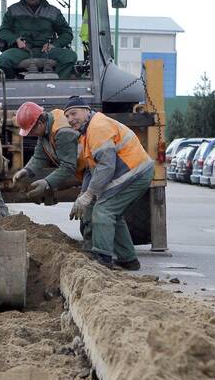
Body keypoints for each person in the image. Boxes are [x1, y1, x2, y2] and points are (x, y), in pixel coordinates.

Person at [62, 96, 154, 270]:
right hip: (135, 171)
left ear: (87, 111)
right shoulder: (86, 133)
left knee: (103, 210)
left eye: (74, 113)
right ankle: (128, 260)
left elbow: (106, 166)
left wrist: (89, 195)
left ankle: (102, 260)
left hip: (134, 171)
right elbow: (91, 169)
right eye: (67, 116)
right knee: (113, 213)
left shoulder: (97, 128)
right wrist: (84, 193)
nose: (70, 119)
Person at [0, 0, 77, 79]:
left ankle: (57, 84)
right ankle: (12, 84)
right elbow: (4, 31)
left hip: (46, 51)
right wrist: (16, 40)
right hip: (22, 50)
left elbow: (67, 33)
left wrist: (54, 45)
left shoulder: (53, 12)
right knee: (3, 60)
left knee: (70, 56)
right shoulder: (13, 10)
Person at [10, 101, 83, 199]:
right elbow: (40, 156)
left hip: (92, 169)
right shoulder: (47, 125)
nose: (30, 135)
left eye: (31, 131)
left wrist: (46, 183)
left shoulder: (63, 132)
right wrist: (26, 170)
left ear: (40, 123)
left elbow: (68, 167)